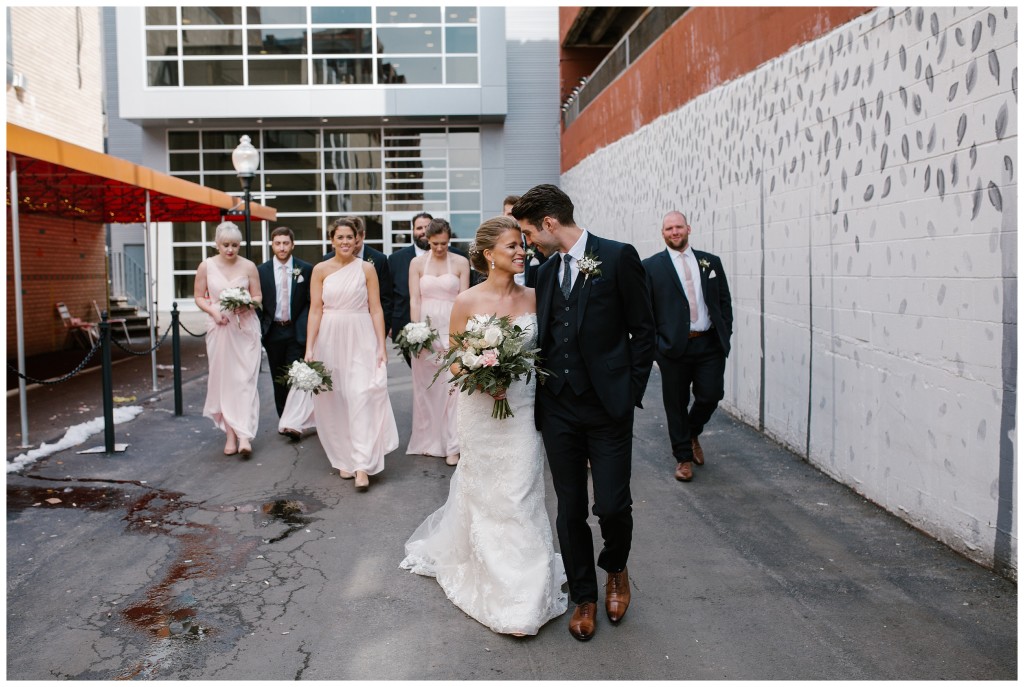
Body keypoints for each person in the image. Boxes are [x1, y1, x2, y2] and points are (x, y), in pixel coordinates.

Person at [401, 215, 568, 636]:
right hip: (480, 411)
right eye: (511, 246)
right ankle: (493, 576)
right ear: (489, 254)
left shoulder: (535, 297)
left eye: (521, 245)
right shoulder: (467, 301)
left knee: (521, 492)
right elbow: (455, 359)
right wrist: (481, 372)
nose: (520, 252)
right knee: (488, 494)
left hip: (524, 411)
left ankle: (526, 591)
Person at [510, 184, 655, 642]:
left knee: (612, 505)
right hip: (558, 409)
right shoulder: (547, 272)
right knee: (569, 508)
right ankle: (585, 596)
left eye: (530, 232)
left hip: (607, 406)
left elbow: (643, 331)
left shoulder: (617, 257)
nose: (529, 242)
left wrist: (627, 392)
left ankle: (615, 568)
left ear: (550, 223)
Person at [306, 218, 399, 491]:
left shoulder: (367, 268)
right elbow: (315, 310)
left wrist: (381, 345)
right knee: (334, 399)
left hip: (361, 336)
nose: (345, 242)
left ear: (357, 239)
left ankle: (362, 464)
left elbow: (376, 308)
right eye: (340, 237)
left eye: (350, 237)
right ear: (331, 240)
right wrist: (310, 347)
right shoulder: (320, 270)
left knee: (361, 395)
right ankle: (343, 457)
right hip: (330, 337)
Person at [642, 211, 733, 482]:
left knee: (711, 395)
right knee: (676, 404)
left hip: (708, 343)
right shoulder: (651, 267)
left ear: (688, 229)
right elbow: (645, 310)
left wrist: (725, 330)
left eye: (678, 227)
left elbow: (724, 300)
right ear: (663, 234)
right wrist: (657, 345)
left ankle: (692, 431)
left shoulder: (710, 262)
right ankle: (683, 458)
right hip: (673, 349)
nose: (674, 232)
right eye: (668, 228)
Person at [193, 221, 263, 458]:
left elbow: (258, 296)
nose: (230, 250)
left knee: (244, 380)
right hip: (220, 328)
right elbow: (199, 296)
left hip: (245, 329)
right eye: (226, 245)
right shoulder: (206, 266)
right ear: (217, 244)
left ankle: (244, 434)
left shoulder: (249, 266)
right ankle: (230, 434)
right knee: (225, 381)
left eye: (235, 245)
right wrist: (213, 311)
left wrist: (246, 303)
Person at [406, 218, 470, 465]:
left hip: (453, 327)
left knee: (453, 389)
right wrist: (416, 331)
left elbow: (464, 299)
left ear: (449, 239)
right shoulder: (417, 263)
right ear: (427, 240)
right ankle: (428, 440)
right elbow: (414, 299)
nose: (440, 248)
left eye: (444, 243)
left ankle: (453, 445)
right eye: (435, 244)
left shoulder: (461, 262)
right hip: (426, 330)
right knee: (427, 389)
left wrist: (461, 335)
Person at [258, 226, 313, 423]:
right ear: (272, 245)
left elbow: (310, 301)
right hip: (273, 332)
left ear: (293, 245)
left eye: (286, 243)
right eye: (278, 243)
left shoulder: (305, 269)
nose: (282, 248)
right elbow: (258, 302)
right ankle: (284, 417)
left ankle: (295, 419)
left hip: (295, 331)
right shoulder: (261, 271)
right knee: (278, 377)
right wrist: (262, 328)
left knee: (295, 376)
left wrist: (304, 325)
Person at [321, 215, 393, 326]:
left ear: (362, 236)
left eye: (352, 239)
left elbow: (386, 299)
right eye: (341, 238)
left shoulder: (379, 259)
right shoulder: (327, 260)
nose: (349, 246)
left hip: (366, 324)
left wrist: (382, 331)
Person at [388, 212, 433, 365]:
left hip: (442, 323)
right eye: (419, 227)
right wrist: (390, 324)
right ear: (413, 231)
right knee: (417, 372)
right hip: (405, 325)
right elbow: (389, 293)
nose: (423, 231)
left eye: (427, 227)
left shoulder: (454, 256)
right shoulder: (396, 258)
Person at [504, 194, 546, 288]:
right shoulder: (497, 243)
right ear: (503, 215)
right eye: (510, 214)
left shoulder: (535, 242)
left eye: (516, 215)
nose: (513, 218)